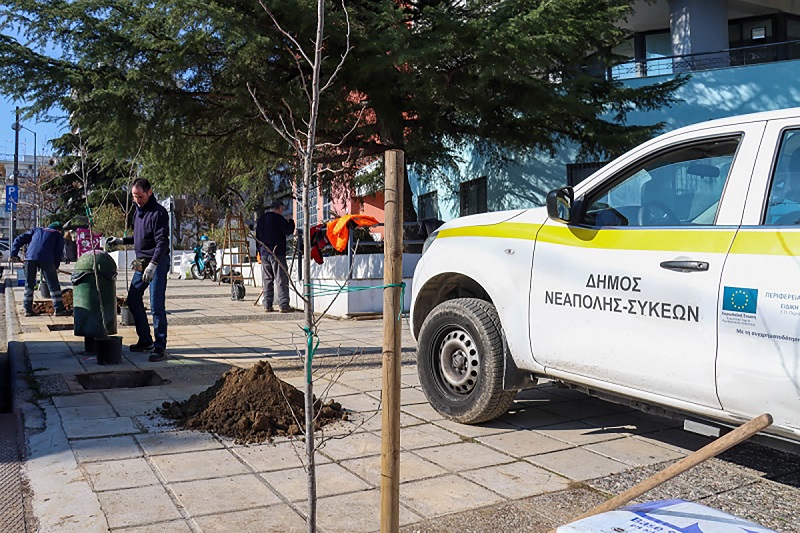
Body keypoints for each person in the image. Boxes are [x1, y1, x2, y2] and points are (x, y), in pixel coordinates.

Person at [106, 178, 170, 362]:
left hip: (156, 262)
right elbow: (140, 237)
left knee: (156, 304)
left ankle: (160, 347)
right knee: (133, 299)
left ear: (149, 192)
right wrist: (121, 240)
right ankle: (145, 340)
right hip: (142, 261)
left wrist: (153, 265)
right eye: (134, 197)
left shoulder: (158, 213)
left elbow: (161, 242)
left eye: (140, 196)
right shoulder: (138, 212)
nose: (137, 200)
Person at [11, 221, 69, 317]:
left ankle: (27, 310)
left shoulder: (36, 230)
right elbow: (58, 253)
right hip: (47, 259)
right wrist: (55, 266)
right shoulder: (57, 235)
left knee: (29, 284)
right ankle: (58, 309)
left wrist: (13, 254)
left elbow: (19, 239)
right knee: (53, 284)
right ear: (59, 230)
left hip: (30, 258)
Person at [256, 200, 295, 313]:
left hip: (264, 252)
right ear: (279, 208)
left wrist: (260, 250)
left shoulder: (261, 219)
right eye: (282, 209)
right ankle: (283, 304)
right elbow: (288, 230)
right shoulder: (278, 218)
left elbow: (257, 237)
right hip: (277, 252)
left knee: (267, 279)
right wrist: (290, 221)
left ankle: (267, 304)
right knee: (281, 278)